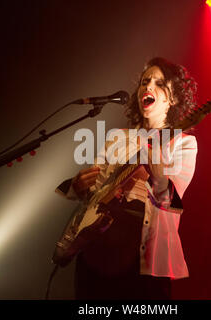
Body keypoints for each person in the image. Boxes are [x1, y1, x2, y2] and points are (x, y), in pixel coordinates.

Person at [55, 57, 199, 300]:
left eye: (159, 83)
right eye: (145, 82)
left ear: (172, 99)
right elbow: (95, 194)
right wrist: (79, 186)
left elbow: (169, 200)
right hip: (98, 246)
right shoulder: (117, 137)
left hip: (143, 252)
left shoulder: (183, 142)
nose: (148, 86)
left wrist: (156, 169)